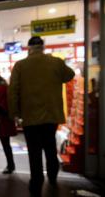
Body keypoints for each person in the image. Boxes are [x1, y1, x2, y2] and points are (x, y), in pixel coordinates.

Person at [8, 36, 75, 196]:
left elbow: (13, 91)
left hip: (29, 116)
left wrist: (14, 113)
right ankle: (52, 176)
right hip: (51, 115)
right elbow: (69, 75)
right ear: (43, 47)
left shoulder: (20, 65)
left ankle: (36, 181)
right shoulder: (55, 62)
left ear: (29, 48)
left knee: (34, 151)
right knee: (50, 147)